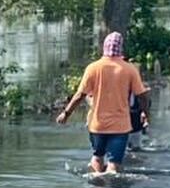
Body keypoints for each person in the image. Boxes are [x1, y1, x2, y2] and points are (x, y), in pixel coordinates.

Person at [57, 32, 150, 174]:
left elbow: (80, 95)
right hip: (120, 127)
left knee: (97, 157)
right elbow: (142, 96)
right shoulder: (130, 69)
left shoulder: (93, 68)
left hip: (97, 125)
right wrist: (145, 113)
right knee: (114, 164)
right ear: (121, 48)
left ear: (104, 47)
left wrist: (66, 113)